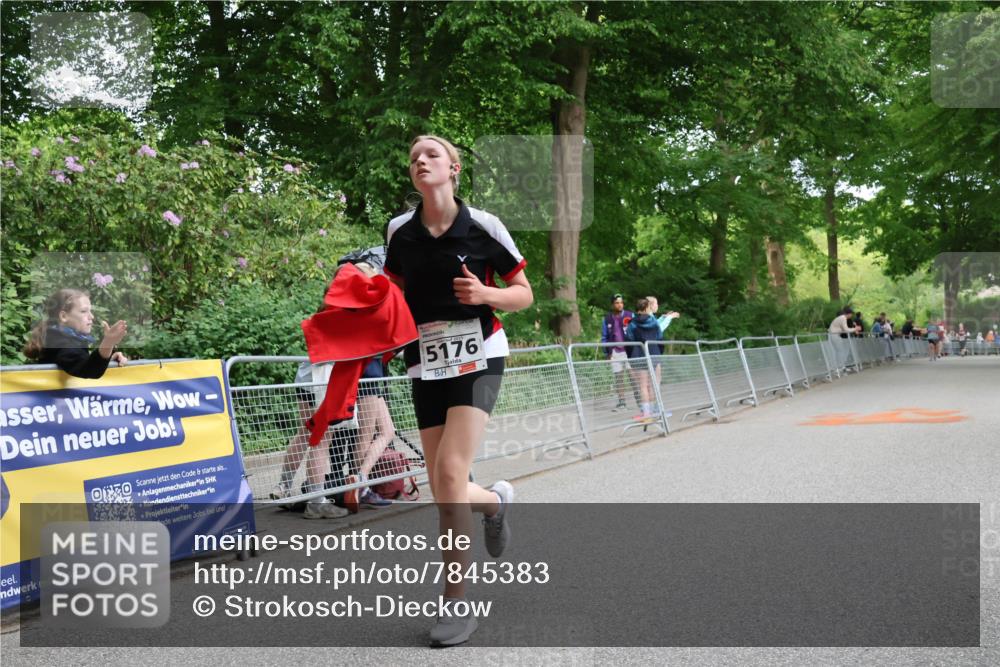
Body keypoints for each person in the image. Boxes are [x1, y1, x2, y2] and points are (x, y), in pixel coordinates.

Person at [384, 134, 533, 647]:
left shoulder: (484, 226)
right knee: (445, 489)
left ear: (454, 168)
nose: (420, 162)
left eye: (431, 155)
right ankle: (493, 502)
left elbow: (523, 294)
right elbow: (393, 297)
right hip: (426, 364)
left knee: (449, 475)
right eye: (413, 159)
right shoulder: (398, 233)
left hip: (481, 355)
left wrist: (486, 292)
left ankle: (456, 603)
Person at [271, 360, 351, 519]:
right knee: (322, 437)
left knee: (305, 433)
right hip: (327, 376)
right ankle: (316, 502)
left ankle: (283, 486)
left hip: (305, 374)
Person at [23, 288, 128, 378]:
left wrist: (108, 357)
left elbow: (78, 365)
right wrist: (108, 343)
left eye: (90, 311)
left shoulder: (65, 337)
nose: (91, 317)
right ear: (64, 316)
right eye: (83, 311)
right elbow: (89, 371)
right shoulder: (59, 343)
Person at [343, 354, 396, 512]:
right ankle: (361, 483)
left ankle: (360, 479)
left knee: (387, 431)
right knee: (366, 433)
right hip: (366, 367)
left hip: (369, 368)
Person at [601, 294, 635, 411]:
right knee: (619, 378)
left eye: (621, 302)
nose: (620, 305)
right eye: (617, 303)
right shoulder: (607, 319)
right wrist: (606, 353)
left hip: (629, 351)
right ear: (612, 304)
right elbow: (604, 337)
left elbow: (636, 331)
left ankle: (640, 401)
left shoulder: (630, 315)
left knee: (633, 377)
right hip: (615, 352)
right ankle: (622, 402)